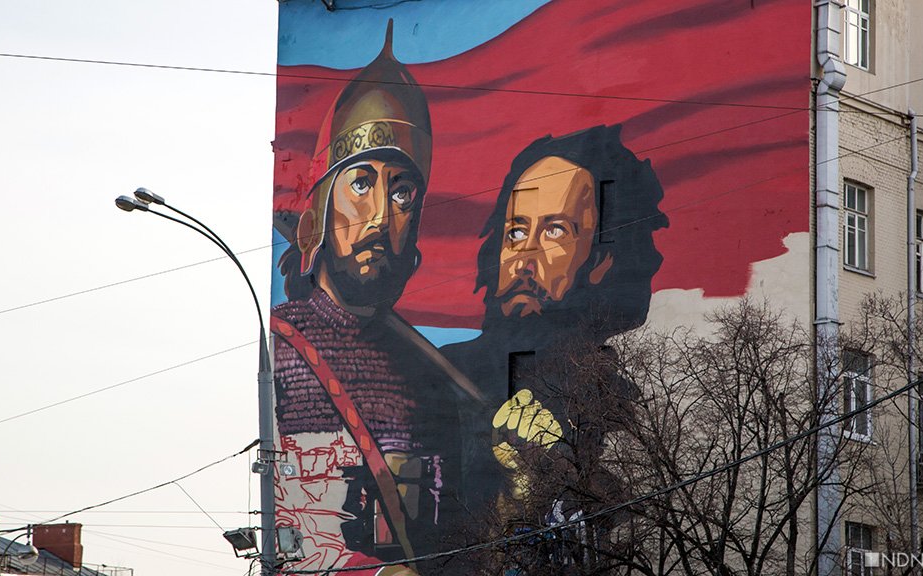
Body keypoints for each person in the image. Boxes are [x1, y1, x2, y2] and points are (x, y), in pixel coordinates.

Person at [270, 21, 479, 575]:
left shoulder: (429, 373)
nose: (383, 216)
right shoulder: (281, 349)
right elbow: (291, 525)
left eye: (403, 192)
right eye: (361, 183)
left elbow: (454, 533)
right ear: (320, 208)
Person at [442, 124, 667, 512]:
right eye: (516, 232)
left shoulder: (617, 403)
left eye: (555, 231)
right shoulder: (444, 378)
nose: (524, 260)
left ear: (601, 260)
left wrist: (545, 471)